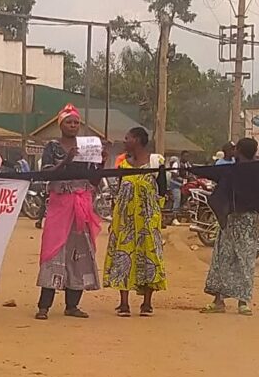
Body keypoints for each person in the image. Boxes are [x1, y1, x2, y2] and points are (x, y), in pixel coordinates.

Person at [35, 105, 100, 319]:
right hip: (60, 205)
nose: (73, 126)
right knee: (54, 251)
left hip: (82, 207)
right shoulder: (52, 148)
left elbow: (94, 180)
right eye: (69, 122)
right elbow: (45, 174)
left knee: (80, 254)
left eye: (76, 122)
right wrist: (66, 161)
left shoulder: (86, 147)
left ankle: (72, 305)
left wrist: (102, 163)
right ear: (60, 124)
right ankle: (44, 306)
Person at [103, 126, 165, 317]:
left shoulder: (157, 162)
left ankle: (147, 304)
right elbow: (120, 192)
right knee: (123, 257)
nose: (124, 141)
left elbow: (162, 190)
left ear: (137, 140)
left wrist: (157, 217)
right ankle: (124, 304)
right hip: (126, 221)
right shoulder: (123, 166)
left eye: (127, 137)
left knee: (149, 257)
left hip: (148, 219)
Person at [202, 137, 259, 315]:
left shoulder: (231, 171)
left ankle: (219, 301)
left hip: (231, 220)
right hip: (249, 220)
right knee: (245, 260)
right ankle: (242, 303)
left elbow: (219, 192)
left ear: (238, 150)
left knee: (223, 259)